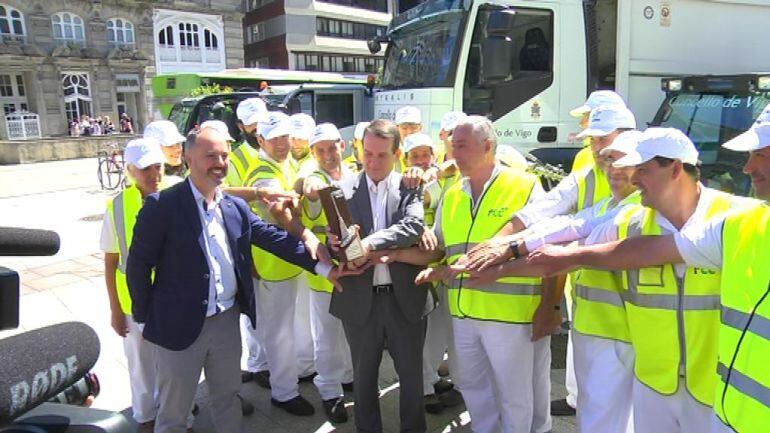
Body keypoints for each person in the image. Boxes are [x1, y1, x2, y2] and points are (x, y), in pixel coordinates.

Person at [525, 119, 770, 433]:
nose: (632, 177)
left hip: (714, 390)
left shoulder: (734, 218)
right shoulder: (642, 222)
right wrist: (509, 253)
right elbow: (605, 244)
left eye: (642, 169)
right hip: (658, 384)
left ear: (675, 169)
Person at [126, 125, 341, 433]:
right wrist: (146, 320)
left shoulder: (234, 205)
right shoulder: (162, 206)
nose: (220, 162)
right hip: (177, 325)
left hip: (226, 323)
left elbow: (272, 238)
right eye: (210, 155)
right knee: (174, 413)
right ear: (187, 158)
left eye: (224, 155)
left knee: (227, 399)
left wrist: (322, 263)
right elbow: (138, 266)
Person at [461, 103, 634, 417]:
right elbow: (554, 218)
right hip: (593, 311)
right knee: (595, 409)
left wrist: (508, 258)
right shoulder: (588, 180)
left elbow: (573, 245)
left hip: (633, 319)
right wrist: (502, 242)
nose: (598, 150)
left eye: (605, 141)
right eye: (593, 141)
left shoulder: (639, 200)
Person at [407, 116, 551, 433]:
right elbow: (442, 247)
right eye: (452, 146)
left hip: (509, 315)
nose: (454, 153)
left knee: (514, 393)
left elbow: (547, 245)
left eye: (461, 146)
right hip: (462, 311)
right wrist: (411, 249)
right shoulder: (452, 194)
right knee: (470, 384)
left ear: (487, 146)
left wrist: (550, 306)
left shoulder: (524, 186)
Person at [329, 119, 429, 433]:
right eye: (367, 154)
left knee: (412, 376)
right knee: (363, 377)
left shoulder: (409, 186)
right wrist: (333, 245)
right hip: (360, 301)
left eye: (381, 155)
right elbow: (337, 247)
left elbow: (413, 227)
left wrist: (370, 242)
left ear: (397, 154)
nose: (372, 162)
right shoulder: (341, 191)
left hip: (404, 299)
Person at [242, 112, 319, 415]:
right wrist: (307, 234)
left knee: (295, 326)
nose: (282, 143)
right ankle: (284, 392)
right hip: (273, 265)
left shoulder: (283, 164)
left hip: (289, 262)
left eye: (285, 136)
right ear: (259, 140)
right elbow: (279, 214)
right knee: (279, 332)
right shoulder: (262, 171)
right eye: (273, 138)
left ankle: (297, 373)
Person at [101, 138, 166, 433]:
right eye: (145, 169)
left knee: (172, 362)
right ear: (129, 170)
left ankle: (180, 415)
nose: (154, 174)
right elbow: (111, 261)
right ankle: (145, 416)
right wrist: (115, 309)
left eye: (158, 166)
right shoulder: (117, 205)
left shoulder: (175, 193)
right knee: (141, 365)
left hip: (171, 297)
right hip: (133, 302)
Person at [299, 123, 355, 423]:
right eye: (320, 150)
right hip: (327, 271)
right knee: (327, 336)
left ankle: (347, 377)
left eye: (332, 148)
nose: (327, 154)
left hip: (353, 266)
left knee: (347, 332)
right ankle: (330, 390)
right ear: (312, 153)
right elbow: (308, 203)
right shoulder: (314, 177)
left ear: (342, 147)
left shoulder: (352, 173)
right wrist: (309, 193)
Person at [226, 98, 266, 188]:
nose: (258, 126)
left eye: (262, 121)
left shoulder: (283, 150)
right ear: (241, 126)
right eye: (252, 122)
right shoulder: (233, 162)